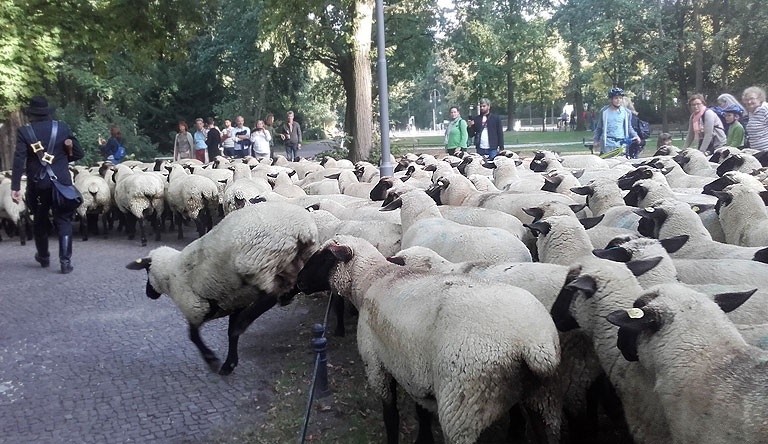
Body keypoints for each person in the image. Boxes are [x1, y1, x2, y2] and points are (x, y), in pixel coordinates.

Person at [11, 96, 84, 274]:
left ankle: (43, 257)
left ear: (32, 114)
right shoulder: (62, 127)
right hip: (62, 184)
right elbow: (79, 153)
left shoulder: (24, 132)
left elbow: (19, 160)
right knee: (64, 220)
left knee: (40, 221)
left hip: (39, 186)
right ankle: (65, 262)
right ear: (48, 112)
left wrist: (15, 187)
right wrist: (63, 156)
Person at [593, 88, 641, 157]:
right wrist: (596, 140)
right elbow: (599, 127)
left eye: (620, 98)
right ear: (611, 99)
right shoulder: (604, 111)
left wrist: (635, 136)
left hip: (621, 144)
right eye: (616, 98)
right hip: (608, 144)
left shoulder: (626, 112)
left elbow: (629, 127)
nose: (618, 100)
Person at [742, 86, 768, 151]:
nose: (749, 102)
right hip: (757, 152)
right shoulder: (751, 112)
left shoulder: (765, 109)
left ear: (760, 99)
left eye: (752, 99)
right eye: (746, 100)